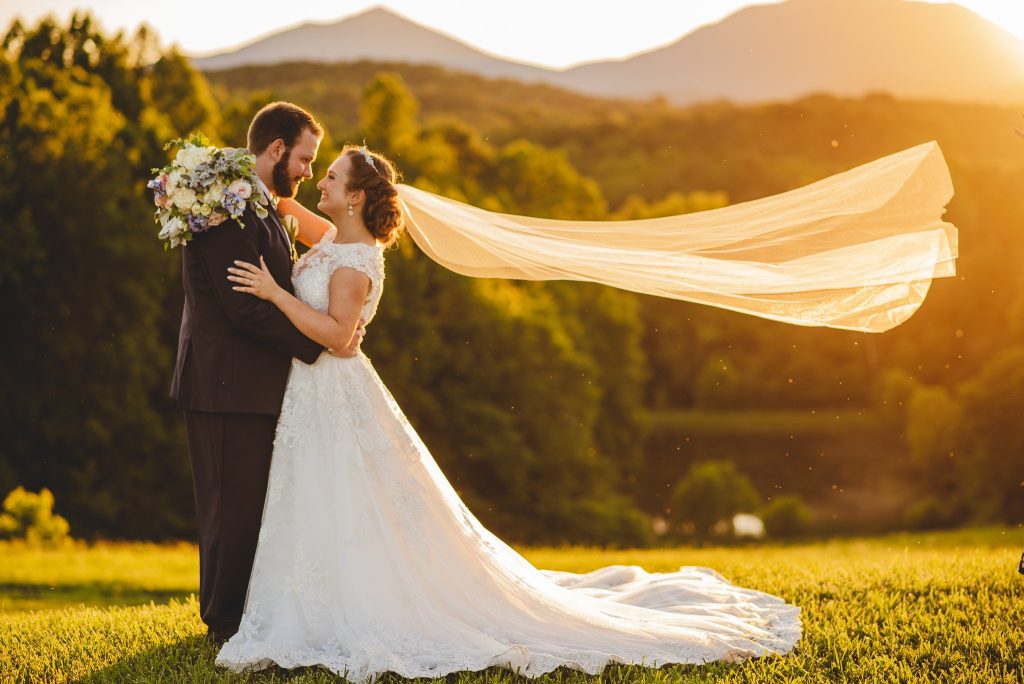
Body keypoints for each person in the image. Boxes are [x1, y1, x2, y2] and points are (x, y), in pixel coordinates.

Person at [215, 144, 800, 681]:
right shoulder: (336, 239)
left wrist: (275, 293)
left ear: (357, 196)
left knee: (349, 498)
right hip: (316, 395)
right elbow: (293, 208)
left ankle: (352, 608)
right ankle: (316, 604)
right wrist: (232, 183)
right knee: (327, 497)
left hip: (334, 390)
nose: (322, 183)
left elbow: (342, 339)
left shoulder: (352, 260)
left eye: (332, 177)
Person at [170, 102, 365, 644]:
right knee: (228, 507)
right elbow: (244, 309)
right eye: (305, 158)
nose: (308, 170)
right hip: (224, 383)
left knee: (247, 505)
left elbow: (339, 247)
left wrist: (341, 325)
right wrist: (321, 344)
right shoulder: (223, 207)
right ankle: (224, 627)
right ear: (277, 149)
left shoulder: (266, 205)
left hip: (252, 385)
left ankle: (241, 617)